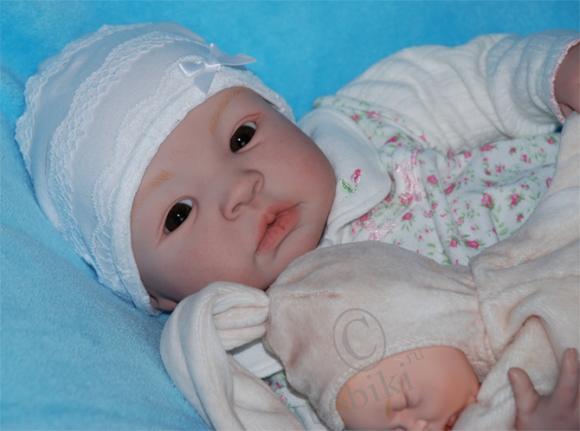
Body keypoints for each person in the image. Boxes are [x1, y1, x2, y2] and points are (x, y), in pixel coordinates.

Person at [15, 22, 579, 429]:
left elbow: (481, 79)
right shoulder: (256, 369)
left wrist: (554, 73)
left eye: (241, 137)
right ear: (158, 296)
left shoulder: (361, 127)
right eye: (178, 213)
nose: (240, 187)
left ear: (281, 113)